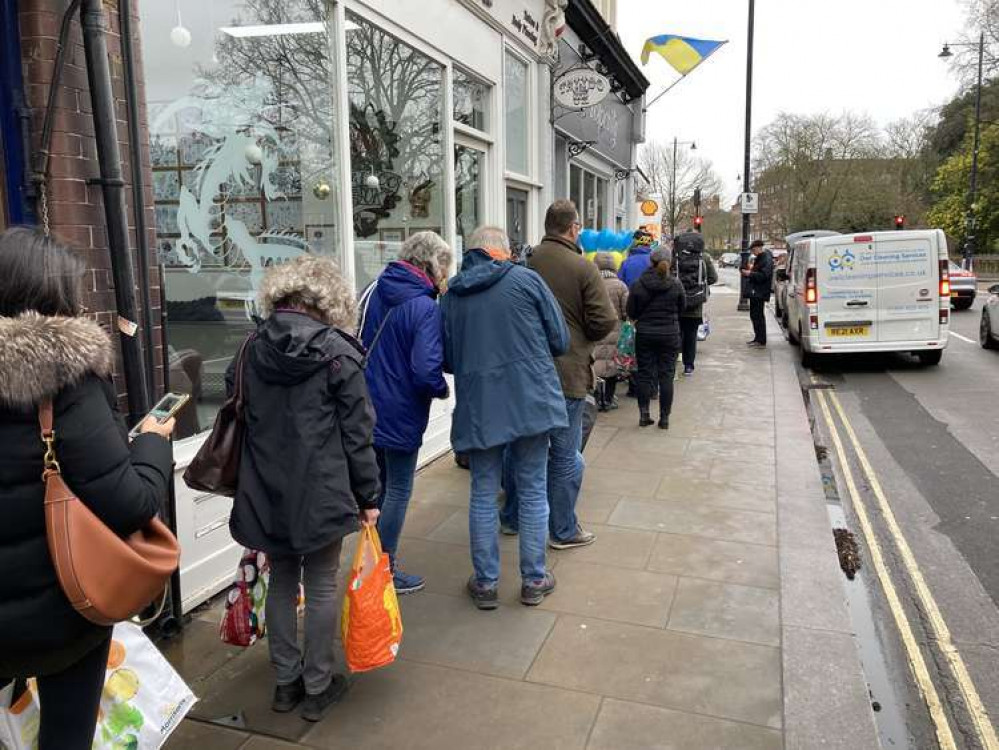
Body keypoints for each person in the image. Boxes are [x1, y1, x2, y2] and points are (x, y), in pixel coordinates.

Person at [0, 227, 175, 750]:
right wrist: (152, 443)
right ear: (52, 299)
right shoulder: (67, 382)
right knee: (66, 735)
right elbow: (131, 503)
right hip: (60, 616)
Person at [227, 255, 381, 722]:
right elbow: (358, 434)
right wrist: (369, 497)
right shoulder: (339, 351)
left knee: (281, 581)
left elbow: (240, 409)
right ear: (328, 299)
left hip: (266, 485)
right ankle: (317, 686)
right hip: (321, 488)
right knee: (319, 585)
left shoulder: (251, 347)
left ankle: (284, 684)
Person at [441, 226, 570, 610]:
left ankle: (485, 584)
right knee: (531, 488)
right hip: (531, 400)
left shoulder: (451, 296)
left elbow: (448, 357)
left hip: (481, 406)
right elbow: (560, 340)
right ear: (502, 251)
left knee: (482, 491)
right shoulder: (527, 280)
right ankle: (533, 579)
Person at [359, 231, 451, 595]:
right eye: (444, 266)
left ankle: (371, 563)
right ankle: (384, 569)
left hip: (365, 405)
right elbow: (426, 370)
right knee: (398, 488)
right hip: (401, 410)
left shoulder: (373, 288)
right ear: (430, 264)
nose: (445, 274)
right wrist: (442, 389)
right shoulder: (424, 306)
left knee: (377, 489)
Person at [529, 200, 616, 549]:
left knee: (526, 450)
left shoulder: (527, 261)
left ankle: (514, 518)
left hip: (528, 371)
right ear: (572, 228)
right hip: (567, 372)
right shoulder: (583, 267)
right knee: (565, 454)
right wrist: (582, 338)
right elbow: (605, 320)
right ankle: (563, 530)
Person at [627, 247, 686, 429]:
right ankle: (665, 418)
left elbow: (631, 311)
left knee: (644, 374)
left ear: (650, 261)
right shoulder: (676, 284)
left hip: (645, 333)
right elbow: (682, 308)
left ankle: (644, 414)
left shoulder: (638, 284)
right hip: (669, 334)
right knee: (666, 376)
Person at [673, 231, 718, 375]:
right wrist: (701, 285)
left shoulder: (676, 257)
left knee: (677, 332)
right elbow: (713, 278)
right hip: (696, 304)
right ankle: (689, 366)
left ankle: (675, 360)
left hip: (677, 303)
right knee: (691, 335)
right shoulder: (703, 257)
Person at [592, 252, 629, 411]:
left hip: (596, 328)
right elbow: (626, 309)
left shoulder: (591, 283)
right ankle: (609, 399)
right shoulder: (620, 285)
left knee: (596, 362)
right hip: (615, 329)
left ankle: (597, 398)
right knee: (612, 364)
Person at [742, 239, 774, 347]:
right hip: (756, 291)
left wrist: (750, 274)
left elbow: (764, 275)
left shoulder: (766, 259)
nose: (753, 252)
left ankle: (761, 340)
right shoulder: (761, 258)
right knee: (755, 315)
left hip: (760, 291)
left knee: (758, 315)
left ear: (759, 248)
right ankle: (758, 338)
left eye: (754, 250)